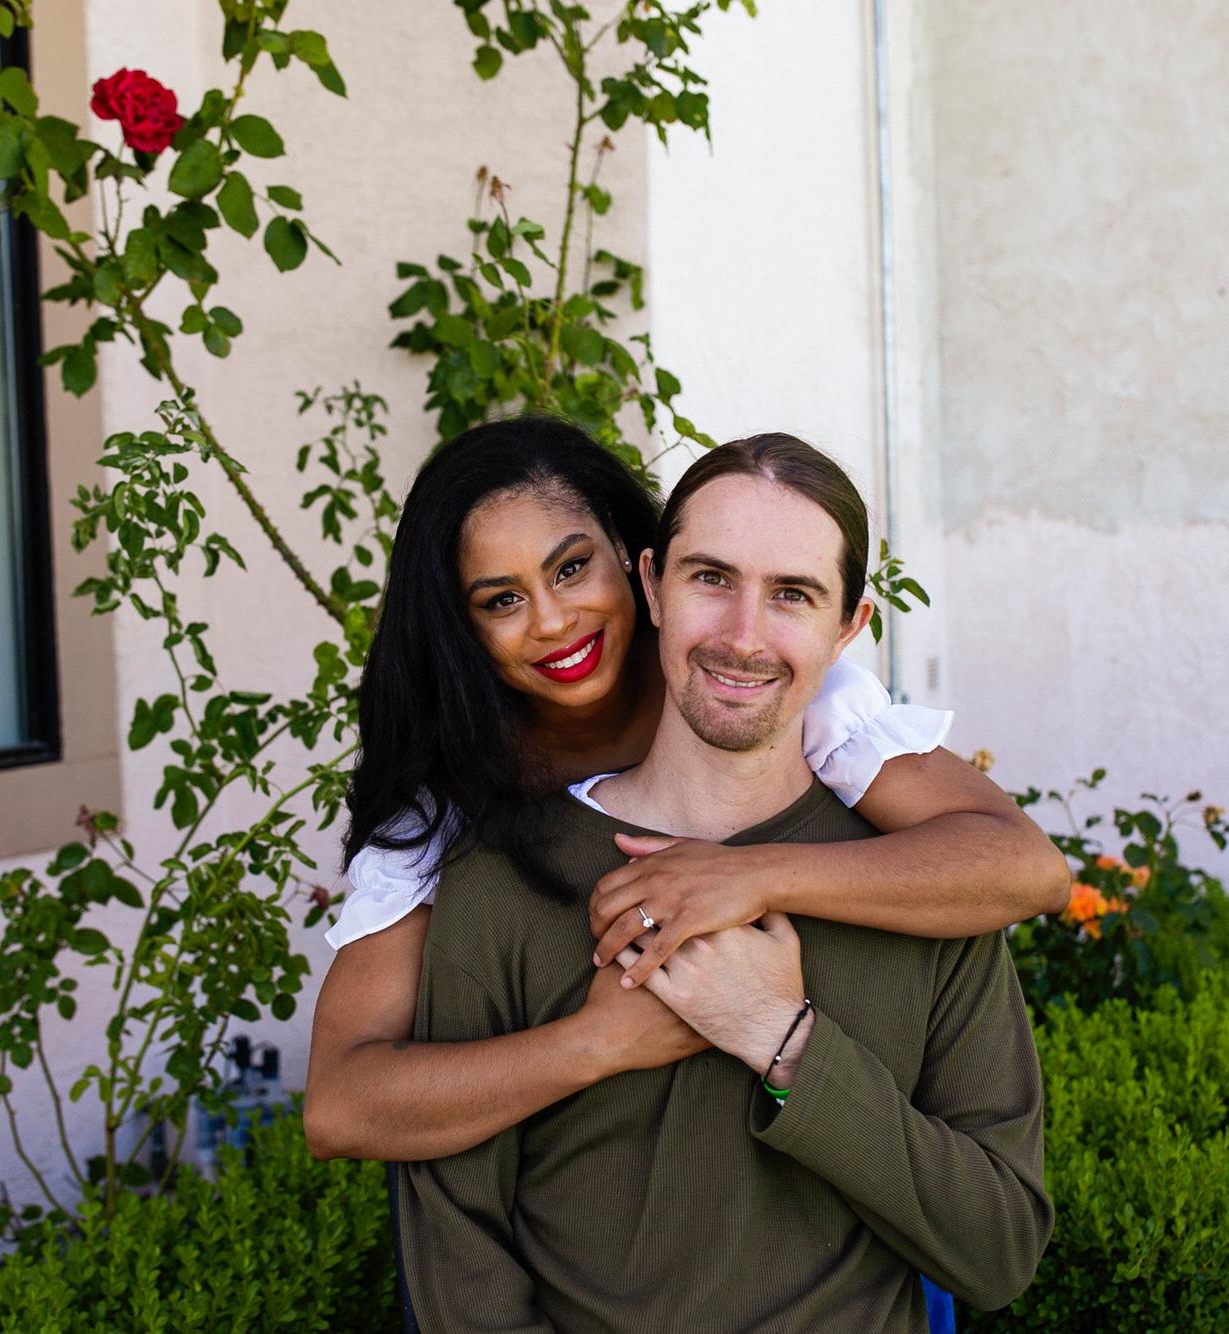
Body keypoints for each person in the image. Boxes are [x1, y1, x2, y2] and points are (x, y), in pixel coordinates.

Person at [398, 435, 1052, 1331]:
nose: (744, 637)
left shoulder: (927, 889)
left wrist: (785, 1042)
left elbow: (999, 1251)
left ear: (848, 626)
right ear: (652, 586)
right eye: (712, 578)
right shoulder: (500, 880)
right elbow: (456, 1252)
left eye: (792, 595)